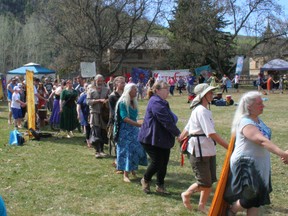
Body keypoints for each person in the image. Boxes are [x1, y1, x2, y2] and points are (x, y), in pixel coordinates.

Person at [224, 91, 288, 216]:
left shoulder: (258, 120)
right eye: (259, 104)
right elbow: (261, 140)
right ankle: (232, 210)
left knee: (257, 199)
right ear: (249, 106)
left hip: (260, 163)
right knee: (252, 195)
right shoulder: (245, 122)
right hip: (246, 164)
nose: (263, 106)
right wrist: (283, 154)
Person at [179, 83, 228, 213]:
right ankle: (187, 194)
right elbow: (210, 133)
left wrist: (180, 137)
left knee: (210, 180)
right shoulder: (201, 110)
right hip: (199, 150)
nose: (212, 94)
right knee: (204, 182)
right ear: (203, 96)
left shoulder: (202, 110)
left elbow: (188, 127)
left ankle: (201, 205)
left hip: (207, 149)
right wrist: (228, 147)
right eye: (210, 93)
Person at [138, 80, 181, 194]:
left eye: (168, 88)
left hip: (161, 137)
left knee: (164, 163)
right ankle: (146, 180)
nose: (168, 91)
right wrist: (179, 134)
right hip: (150, 138)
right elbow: (166, 121)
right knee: (157, 162)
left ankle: (160, 186)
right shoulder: (156, 102)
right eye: (165, 89)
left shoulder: (162, 102)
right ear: (157, 91)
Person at [114, 83, 147, 182]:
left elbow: (134, 117)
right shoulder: (123, 103)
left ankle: (133, 170)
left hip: (134, 130)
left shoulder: (133, 102)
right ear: (129, 91)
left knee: (135, 150)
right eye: (134, 90)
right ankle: (125, 174)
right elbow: (125, 118)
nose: (136, 91)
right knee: (127, 151)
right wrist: (139, 125)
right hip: (125, 131)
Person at [86, 74, 110, 158]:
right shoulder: (91, 90)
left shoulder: (106, 90)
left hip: (104, 114)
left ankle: (102, 150)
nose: (99, 82)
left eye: (101, 80)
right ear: (95, 81)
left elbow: (109, 100)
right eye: (98, 81)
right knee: (96, 131)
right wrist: (98, 100)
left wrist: (106, 101)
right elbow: (88, 102)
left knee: (103, 132)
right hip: (94, 113)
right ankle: (97, 151)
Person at [77, 83, 90, 147]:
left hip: (93, 114)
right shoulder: (83, 96)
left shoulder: (94, 95)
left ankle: (92, 140)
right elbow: (78, 104)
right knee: (87, 127)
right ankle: (88, 141)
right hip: (85, 114)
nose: (89, 89)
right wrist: (78, 113)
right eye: (88, 88)